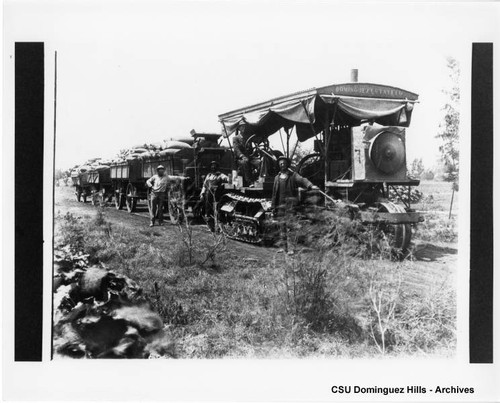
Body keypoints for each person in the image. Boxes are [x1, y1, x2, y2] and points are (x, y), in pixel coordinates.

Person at [271, 156, 319, 254]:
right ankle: (283, 248)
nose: (282, 165)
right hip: (280, 205)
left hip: (290, 205)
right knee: (282, 227)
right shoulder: (277, 178)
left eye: (284, 163)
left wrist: (310, 185)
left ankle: (291, 249)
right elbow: (274, 194)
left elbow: (302, 180)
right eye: (280, 163)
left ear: (287, 164)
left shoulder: (293, 176)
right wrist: (273, 206)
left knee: (290, 227)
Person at [199, 161, 229, 230]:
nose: (213, 167)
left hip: (217, 196)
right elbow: (204, 186)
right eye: (212, 166)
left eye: (215, 166)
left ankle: (219, 227)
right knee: (208, 211)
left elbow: (226, 178)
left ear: (217, 167)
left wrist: (229, 178)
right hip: (208, 196)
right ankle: (211, 227)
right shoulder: (208, 175)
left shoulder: (220, 175)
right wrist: (201, 194)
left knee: (217, 211)